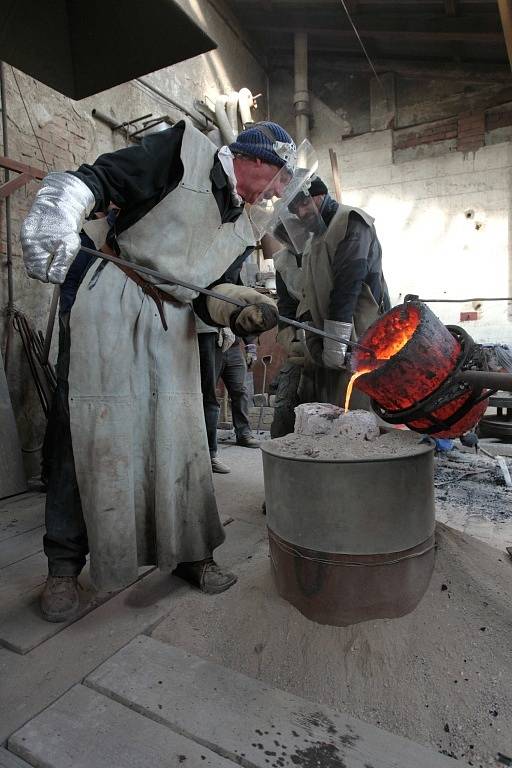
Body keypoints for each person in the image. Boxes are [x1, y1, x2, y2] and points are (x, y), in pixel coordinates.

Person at [21, 119, 297, 621]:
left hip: (173, 326)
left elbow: (209, 294)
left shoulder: (242, 220)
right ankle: (62, 567)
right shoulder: (181, 152)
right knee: (83, 431)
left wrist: (240, 309)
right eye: (280, 178)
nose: (280, 191)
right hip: (111, 300)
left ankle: (191, 555)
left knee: (182, 439)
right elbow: (90, 179)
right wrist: (52, 223)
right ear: (257, 160)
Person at [271, 176, 390, 436]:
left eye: (304, 204)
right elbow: (307, 295)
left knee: (357, 419)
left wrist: (335, 346)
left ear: (320, 195)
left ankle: (361, 473)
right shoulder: (315, 239)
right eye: (294, 210)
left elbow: (346, 289)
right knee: (325, 418)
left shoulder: (351, 222)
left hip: (358, 339)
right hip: (327, 340)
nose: (301, 214)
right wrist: (301, 337)